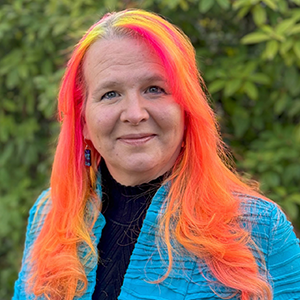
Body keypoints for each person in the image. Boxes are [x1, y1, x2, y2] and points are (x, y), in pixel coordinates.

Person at [13, 9, 300, 300]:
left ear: (187, 108)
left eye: (155, 89)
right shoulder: (49, 214)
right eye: (110, 94)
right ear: (84, 121)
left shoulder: (259, 227)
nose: (135, 114)